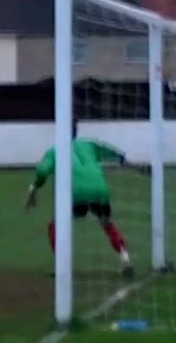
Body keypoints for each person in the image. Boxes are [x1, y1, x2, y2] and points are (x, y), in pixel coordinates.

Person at [24, 119, 143, 278]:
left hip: (76, 194)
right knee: (106, 224)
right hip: (100, 191)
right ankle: (125, 258)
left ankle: (61, 266)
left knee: (55, 224)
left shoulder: (54, 151)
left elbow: (42, 171)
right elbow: (113, 152)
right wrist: (132, 165)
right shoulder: (89, 145)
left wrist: (33, 191)